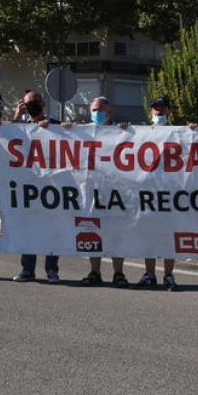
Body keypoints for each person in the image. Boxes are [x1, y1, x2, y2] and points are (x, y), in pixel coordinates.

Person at [72, 96, 130, 287]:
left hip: (114, 189)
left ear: (109, 112)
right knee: (91, 229)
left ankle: (119, 273)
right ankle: (94, 271)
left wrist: (127, 131)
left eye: (101, 110)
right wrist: (63, 129)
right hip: (90, 188)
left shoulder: (120, 130)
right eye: (95, 109)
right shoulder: (83, 130)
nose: (97, 113)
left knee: (115, 232)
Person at [12, 91, 62, 283]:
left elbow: (73, 135)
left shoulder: (54, 123)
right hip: (29, 186)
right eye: (28, 103)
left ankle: (51, 270)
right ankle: (27, 269)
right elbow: (7, 140)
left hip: (52, 185)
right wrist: (17, 115)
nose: (32, 105)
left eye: (35, 102)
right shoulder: (20, 126)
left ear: (43, 104)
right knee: (28, 229)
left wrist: (56, 128)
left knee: (51, 229)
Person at [136, 96, 179, 291]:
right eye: (155, 108)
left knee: (169, 236)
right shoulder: (141, 132)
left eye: (162, 108)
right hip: (148, 192)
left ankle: (169, 275)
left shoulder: (179, 132)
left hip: (171, 192)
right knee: (148, 235)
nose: (158, 112)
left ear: (169, 111)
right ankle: (150, 274)